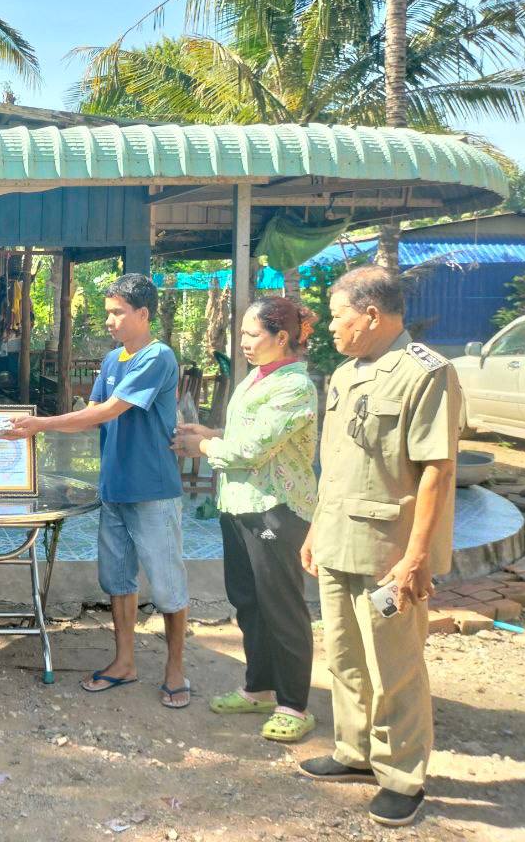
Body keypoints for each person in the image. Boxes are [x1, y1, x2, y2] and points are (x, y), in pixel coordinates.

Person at [298, 266, 461, 828]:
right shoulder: (345, 374)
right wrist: (316, 527)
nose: (330, 327)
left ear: (370, 314)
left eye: (337, 316)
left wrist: (416, 558)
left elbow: (437, 470)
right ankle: (355, 750)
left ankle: (401, 776)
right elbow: (337, 463)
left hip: (389, 551)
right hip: (339, 538)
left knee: (394, 666)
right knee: (345, 656)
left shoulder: (427, 373)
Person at [9, 273, 189, 708]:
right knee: (117, 579)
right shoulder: (112, 360)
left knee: (167, 584)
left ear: (143, 314)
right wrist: (35, 431)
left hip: (153, 490)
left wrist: (41, 424)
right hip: (114, 487)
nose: (109, 320)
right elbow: (90, 412)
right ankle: (124, 662)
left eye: (117, 313)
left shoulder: (157, 357)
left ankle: (176, 670)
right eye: (108, 312)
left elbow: (108, 411)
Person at [172, 297, 319, 742]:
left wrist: (203, 448)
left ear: (282, 337)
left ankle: (293, 704)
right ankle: (259, 688)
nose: (243, 343)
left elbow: (253, 449)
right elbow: (246, 435)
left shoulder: (296, 386)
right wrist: (212, 433)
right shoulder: (257, 377)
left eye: (253, 335)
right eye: (242, 335)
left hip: (275, 509)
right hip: (239, 504)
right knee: (248, 600)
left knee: (281, 605)